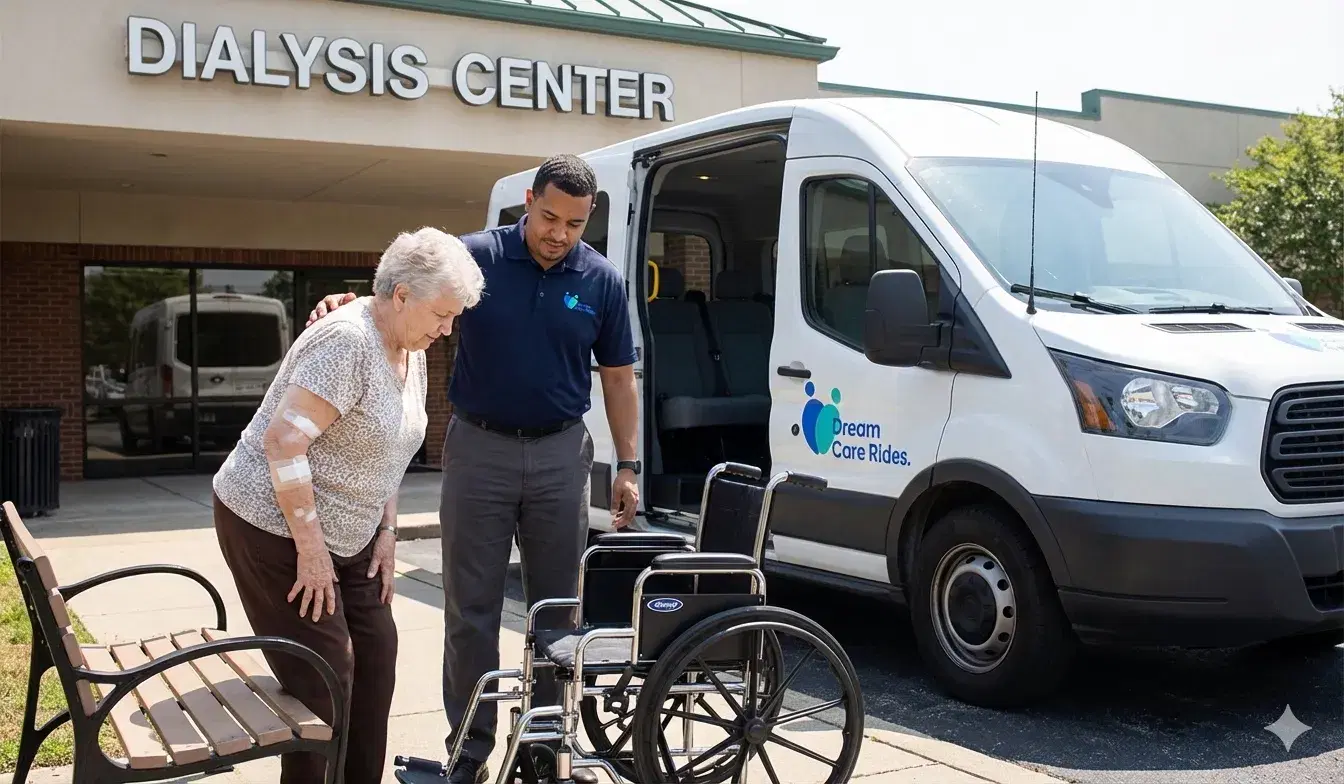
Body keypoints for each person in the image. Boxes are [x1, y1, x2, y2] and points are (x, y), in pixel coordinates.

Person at [307, 154, 639, 784]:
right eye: (548, 217)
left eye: (573, 223)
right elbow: (400, 298)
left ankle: (546, 748)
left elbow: (619, 379)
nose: (558, 233)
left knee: (557, 613)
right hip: (478, 451)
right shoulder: (474, 256)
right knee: (471, 610)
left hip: (560, 455)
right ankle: (469, 752)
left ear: (587, 216)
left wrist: (628, 464)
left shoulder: (601, 280)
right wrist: (346, 303)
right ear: (528, 201)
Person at [213, 227, 485, 784]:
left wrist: (386, 530)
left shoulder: (411, 345)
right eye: (442, 313)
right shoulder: (348, 342)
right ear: (402, 294)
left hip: (352, 533)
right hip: (273, 527)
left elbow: (386, 447)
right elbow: (284, 443)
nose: (448, 328)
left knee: (378, 656)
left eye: (454, 316)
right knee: (325, 678)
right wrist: (310, 552)